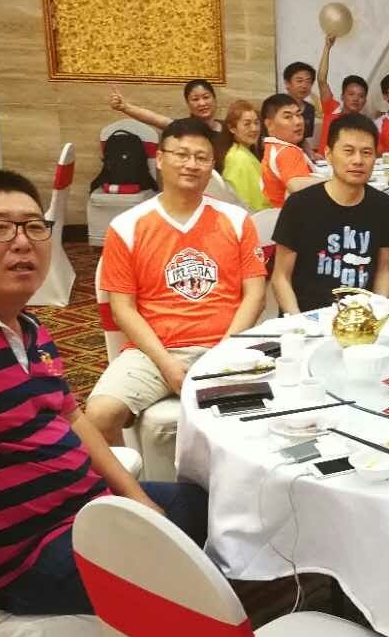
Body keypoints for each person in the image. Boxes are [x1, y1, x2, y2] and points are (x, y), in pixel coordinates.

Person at [0, 169, 208, 616]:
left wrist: (136, 498)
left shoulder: (29, 328)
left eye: (33, 226)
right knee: (188, 577)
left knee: (209, 506)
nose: (22, 242)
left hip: (89, 508)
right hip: (28, 558)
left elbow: (72, 418)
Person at [86, 117, 267, 444]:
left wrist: (224, 352)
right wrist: (166, 364)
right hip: (155, 352)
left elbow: (255, 294)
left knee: (279, 411)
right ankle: (128, 478)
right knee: (99, 416)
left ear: (212, 165)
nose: (191, 164)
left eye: (201, 157)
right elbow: (123, 309)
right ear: (160, 159)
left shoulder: (237, 220)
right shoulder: (127, 226)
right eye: (181, 154)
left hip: (225, 345)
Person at [271, 113, 389, 312]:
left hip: (359, 316)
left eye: (366, 152)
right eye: (348, 151)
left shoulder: (383, 206)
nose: (358, 160)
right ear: (329, 154)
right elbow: (280, 277)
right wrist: (298, 322)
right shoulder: (300, 205)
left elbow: (383, 270)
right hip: (308, 317)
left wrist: (376, 310)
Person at [108, 78, 230, 168]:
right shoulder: (184, 128)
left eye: (206, 97)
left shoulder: (229, 128)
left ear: (214, 99)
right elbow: (154, 118)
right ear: (188, 104)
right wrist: (125, 107)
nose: (202, 103)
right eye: (195, 99)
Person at [259, 93, 318, 208]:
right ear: (269, 124)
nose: (298, 122)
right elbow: (296, 187)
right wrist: (334, 181)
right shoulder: (288, 151)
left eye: (299, 115)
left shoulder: (273, 147)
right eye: (288, 117)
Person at [315, 34, 369, 154]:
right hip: (324, 162)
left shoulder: (364, 124)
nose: (356, 99)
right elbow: (321, 80)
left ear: (365, 101)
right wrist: (327, 48)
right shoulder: (332, 108)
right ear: (342, 96)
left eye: (361, 96)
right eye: (351, 94)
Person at [220, 99, 264, 212]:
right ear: (232, 128)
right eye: (247, 124)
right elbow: (244, 203)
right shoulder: (239, 158)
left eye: (256, 123)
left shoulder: (241, 153)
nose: (254, 129)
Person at [281, 59, 318, 152]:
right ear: (287, 83)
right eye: (299, 81)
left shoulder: (310, 109)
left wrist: (310, 153)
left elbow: (303, 139)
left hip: (299, 154)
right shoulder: (277, 106)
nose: (304, 85)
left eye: (308, 81)